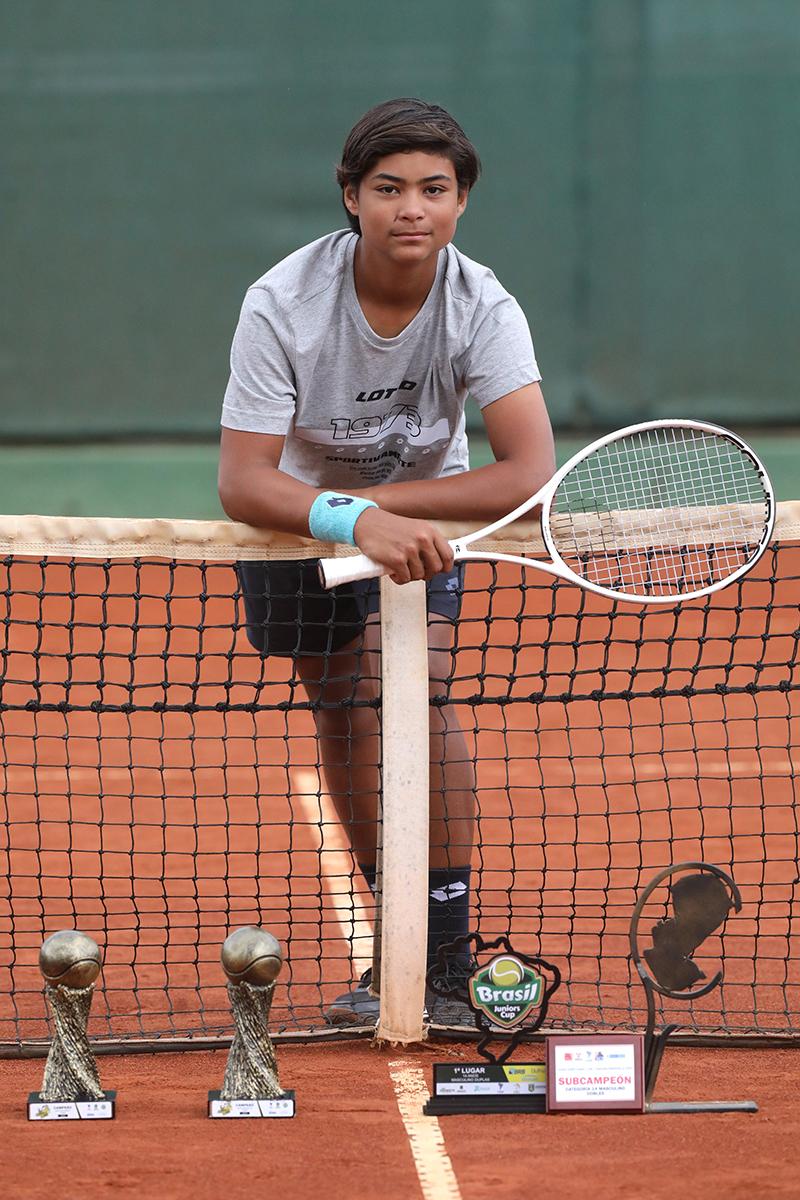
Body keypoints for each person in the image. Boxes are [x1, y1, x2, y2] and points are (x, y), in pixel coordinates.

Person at [218, 97, 555, 1025]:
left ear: (461, 202)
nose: (413, 207)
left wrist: (379, 515)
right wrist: (343, 518)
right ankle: (394, 937)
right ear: (351, 197)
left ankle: (445, 955)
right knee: (339, 703)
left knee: (411, 689)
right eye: (390, 188)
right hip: (296, 526)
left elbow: (527, 471)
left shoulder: (481, 303)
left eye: (435, 190)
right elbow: (245, 481)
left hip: (417, 527)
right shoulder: (281, 302)